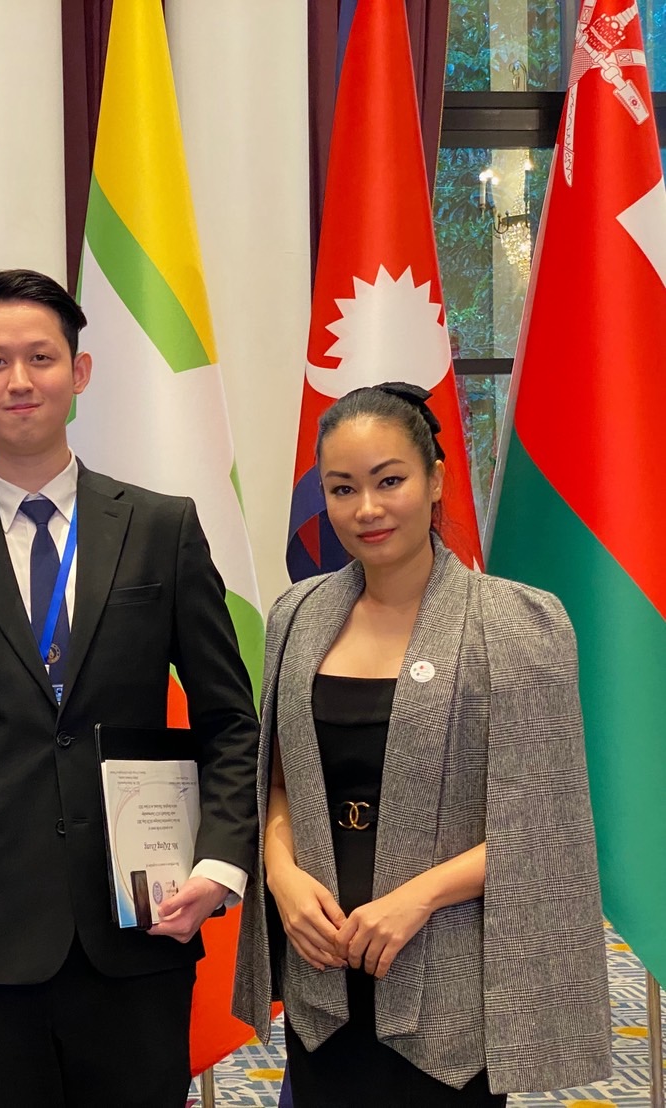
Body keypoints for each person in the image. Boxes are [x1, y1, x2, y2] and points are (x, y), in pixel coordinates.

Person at [0, 269, 260, 1107]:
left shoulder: (160, 528)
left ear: (78, 372)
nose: (19, 380)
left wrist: (221, 860)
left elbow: (231, 721)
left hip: (139, 921)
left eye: (41, 358)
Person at [232, 383, 610, 1104]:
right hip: (323, 980)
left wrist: (417, 898)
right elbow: (277, 782)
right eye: (342, 489)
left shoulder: (516, 624)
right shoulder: (297, 616)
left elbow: (542, 826)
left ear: (434, 480)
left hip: (448, 992)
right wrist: (281, 874)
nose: (366, 509)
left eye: (389, 481)